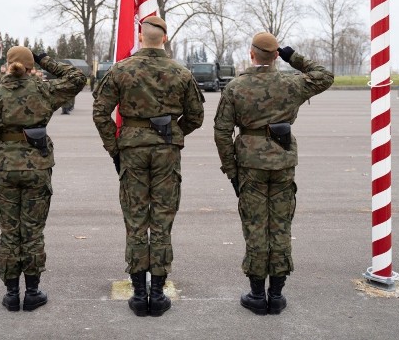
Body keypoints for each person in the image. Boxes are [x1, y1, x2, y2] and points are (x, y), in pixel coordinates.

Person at [213, 32, 334, 315]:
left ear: (251, 54)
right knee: (280, 225)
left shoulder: (236, 87)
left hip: (250, 166)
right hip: (282, 164)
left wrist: (231, 171)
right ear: (275, 55)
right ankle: (276, 295)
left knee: (256, 226)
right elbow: (324, 75)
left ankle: (257, 295)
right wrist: (293, 57)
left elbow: (221, 132)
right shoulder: (292, 83)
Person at [92, 16, 205, 317]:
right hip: (166, 151)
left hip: (132, 150)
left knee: (136, 218)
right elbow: (196, 116)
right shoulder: (180, 72)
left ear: (141, 37)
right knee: (162, 219)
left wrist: (114, 145)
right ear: (164, 39)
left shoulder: (122, 70)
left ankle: (139, 294)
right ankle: (157, 292)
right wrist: (173, 133)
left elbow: (100, 112)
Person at [0, 47, 86, 312]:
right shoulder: (43, 91)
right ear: (29, 66)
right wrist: (45, 59)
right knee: (33, 232)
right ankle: (33, 292)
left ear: (7, 66)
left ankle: (12, 293)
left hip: (3, 170)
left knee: (10, 233)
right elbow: (77, 78)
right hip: (37, 167)